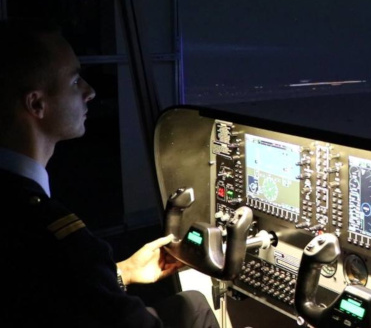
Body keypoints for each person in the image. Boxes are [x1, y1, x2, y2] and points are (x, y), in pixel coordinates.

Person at [0, 19, 220, 328]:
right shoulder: (56, 239)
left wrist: (121, 273)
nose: (90, 92)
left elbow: (50, 292)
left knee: (190, 304)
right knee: (194, 308)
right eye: (76, 81)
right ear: (37, 104)